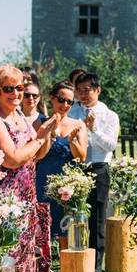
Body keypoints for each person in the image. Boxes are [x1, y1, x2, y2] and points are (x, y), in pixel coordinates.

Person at [0, 65, 58, 272]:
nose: (16, 94)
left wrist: (45, 136)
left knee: (26, 253)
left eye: (19, 88)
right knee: (8, 252)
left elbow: (37, 155)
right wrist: (37, 139)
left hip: (27, 191)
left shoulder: (19, 116)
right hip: (7, 197)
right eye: (8, 89)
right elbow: (13, 158)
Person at [69, 72, 120, 272]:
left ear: (97, 90)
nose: (83, 94)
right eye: (79, 90)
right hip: (76, 168)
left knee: (97, 219)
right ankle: (77, 263)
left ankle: (96, 270)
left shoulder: (109, 115)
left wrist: (93, 129)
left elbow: (110, 145)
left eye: (87, 90)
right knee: (75, 217)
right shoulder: (72, 112)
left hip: (99, 168)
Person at [35, 81, 87, 241]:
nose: (65, 105)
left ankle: (67, 265)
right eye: (61, 99)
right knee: (44, 228)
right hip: (44, 180)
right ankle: (45, 264)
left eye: (69, 102)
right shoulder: (41, 123)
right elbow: (38, 156)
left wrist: (72, 141)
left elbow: (81, 158)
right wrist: (50, 133)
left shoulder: (78, 125)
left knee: (68, 230)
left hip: (68, 183)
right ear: (52, 98)